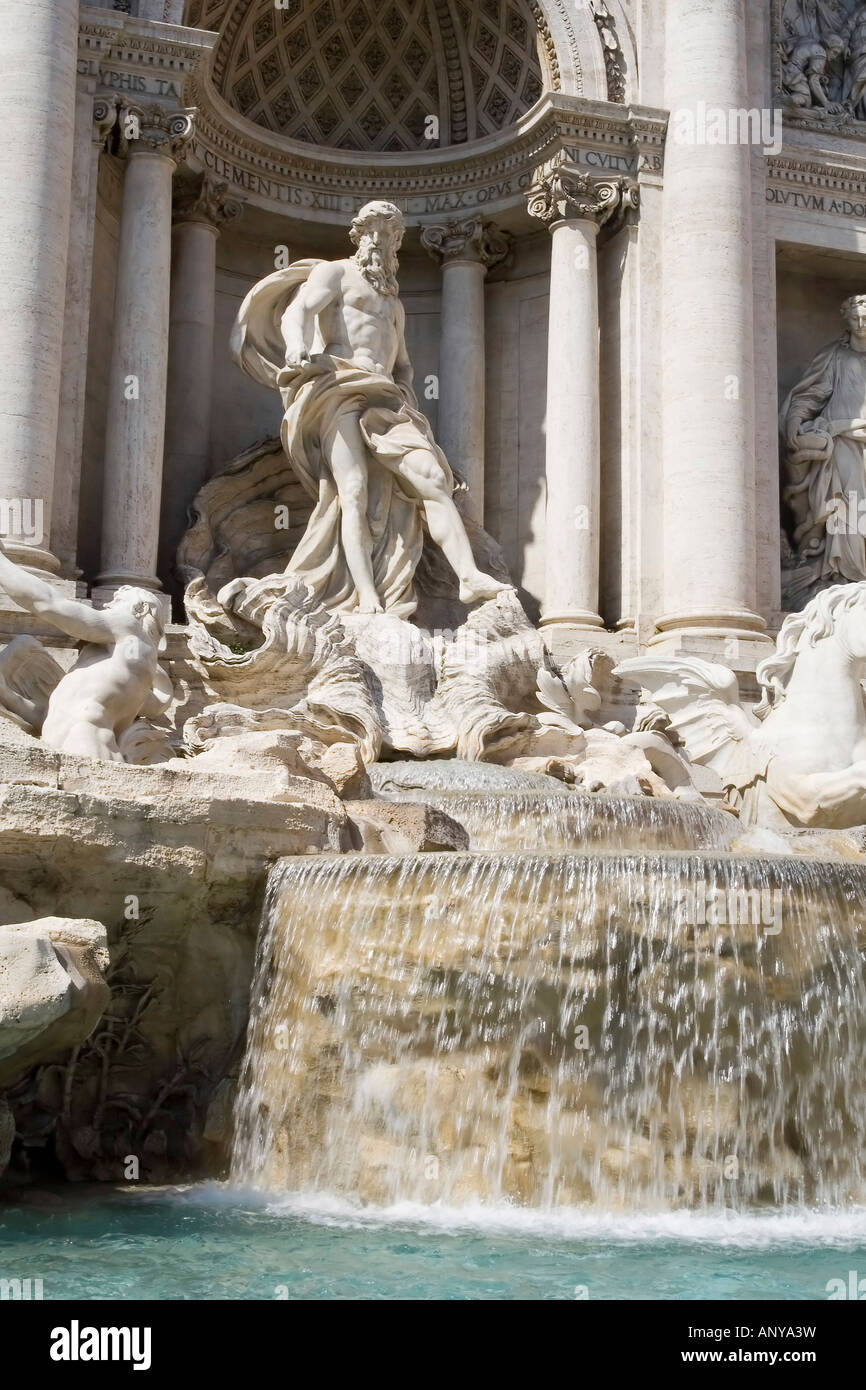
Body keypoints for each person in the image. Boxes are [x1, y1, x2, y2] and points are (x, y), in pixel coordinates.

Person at [232, 200, 512, 617]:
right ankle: (367, 597)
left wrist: (409, 403)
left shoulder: (393, 305)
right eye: (375, 232)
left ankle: (468, 575)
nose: (382, 242)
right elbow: (298, 312)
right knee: (354, 492)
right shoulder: (335, 272)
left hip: (387, 399)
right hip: (339, 387)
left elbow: (403, 367)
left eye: (392, 235)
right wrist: (297, 347)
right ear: (359, 235)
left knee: (434, 479)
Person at [0, 539, 171, 760]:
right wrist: (7, 695)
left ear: (140, 609)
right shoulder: (122, 672)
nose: (107, 606)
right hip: (69, 749)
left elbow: (49, 603)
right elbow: (50, 715)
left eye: (117, 600)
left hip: (85, 746)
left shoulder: (129, 628)